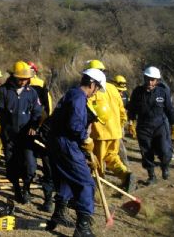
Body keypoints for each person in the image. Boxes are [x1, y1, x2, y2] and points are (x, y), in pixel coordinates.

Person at [45, 68, 106, 237]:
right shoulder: (79, 97)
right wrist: (85, 140)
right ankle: (83, 228)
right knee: (86, 183)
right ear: (92, 84)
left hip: (56, 143)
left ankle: (58, 214)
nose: (97, 92)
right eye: (98, 88)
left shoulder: (71, 93)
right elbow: (75, 125)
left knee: (67, 178)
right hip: (66, 144)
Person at [0, 60, 42, 205]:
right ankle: (16, 189)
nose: (23, 81)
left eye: (26, 79)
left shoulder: (32, 92)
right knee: (12, 165)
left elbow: (37, 112)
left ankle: (26, 188)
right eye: (21, 78)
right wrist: (7, 127)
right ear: (14, 77)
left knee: (30, 165)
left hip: (26, 137)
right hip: (10, 136)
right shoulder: (3, 91)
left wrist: (34, 124)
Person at [126, 66, 174, 185]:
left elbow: (170, 110)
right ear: (144, 78)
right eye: (148, 79)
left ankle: (165, 167)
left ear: (157, 80)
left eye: (153, 80)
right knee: (146, 152)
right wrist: (131, 122)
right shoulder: (137, 92)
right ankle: (151, 176)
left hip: (160, 126)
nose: (150, 82)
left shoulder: (163, 91)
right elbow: (132, 110)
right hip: (143, 127)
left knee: (165, 151)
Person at [87, 81, 135, 193]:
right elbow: (122, 110)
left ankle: (98, 187)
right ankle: (125, 175)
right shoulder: (113, 88)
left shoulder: (94, 89)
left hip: (100, 133)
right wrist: (121, 125)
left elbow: (88, 110)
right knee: (111, 157)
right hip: (115, 132)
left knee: (97, 162)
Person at [28, 61, 56, 212]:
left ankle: (49, 200)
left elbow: (47, 110)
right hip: (32, 130)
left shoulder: (41, 87)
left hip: (44, 134)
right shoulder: (22, 85)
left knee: (48, 168)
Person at [110, 74, 131, 167]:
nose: (121, 93)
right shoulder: (107, 96)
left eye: (122, 91)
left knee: (120, 147)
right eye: (119, 91)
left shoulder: (125, 95)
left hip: (118, 125)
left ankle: (126, 168)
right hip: (108, 126)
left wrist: (130, 122)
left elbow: (127, 109)